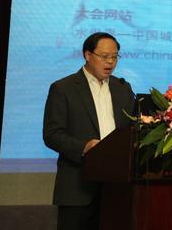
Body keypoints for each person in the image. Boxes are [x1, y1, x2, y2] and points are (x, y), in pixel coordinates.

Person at [43, 32, 135, 230]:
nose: (110, 62)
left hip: (116, 188)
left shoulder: (122, 88)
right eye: (104, 56)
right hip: (77, 187)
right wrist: (84, 147)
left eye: (115, 57)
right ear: (87, 55)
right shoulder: (63, 88)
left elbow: (132, 129)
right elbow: (52, 134)